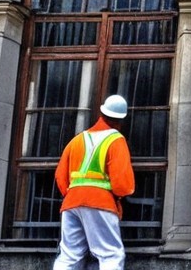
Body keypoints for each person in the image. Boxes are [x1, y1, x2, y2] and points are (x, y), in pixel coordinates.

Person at [53, 94, 135, 270]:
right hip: (100, 203)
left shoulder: (77, 140)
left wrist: (75, 194)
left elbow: (61, 176)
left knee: (69, 256)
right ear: (120, 120)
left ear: (102, 114)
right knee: (111, 255)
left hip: (71, 203)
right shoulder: (116, 140)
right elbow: (122, 184)